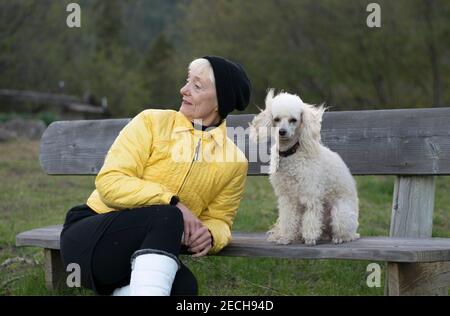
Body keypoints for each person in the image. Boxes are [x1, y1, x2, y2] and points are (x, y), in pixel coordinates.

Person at [60, 56, 251, 296]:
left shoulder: (234, 162)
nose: (184, 90)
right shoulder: (151, 122)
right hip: (92, 240)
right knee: (169, 216)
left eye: (197, 86)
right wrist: (173, 202)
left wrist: (211, 235)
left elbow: (221, 220)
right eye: (187, 81)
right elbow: (110, 182)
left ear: (219, 101)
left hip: (144, 253)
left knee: (185, 289)